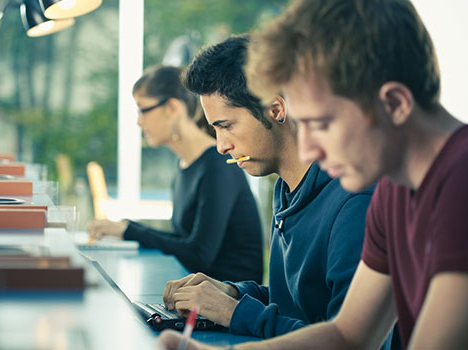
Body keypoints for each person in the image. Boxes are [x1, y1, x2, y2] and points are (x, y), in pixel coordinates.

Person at [158, 0, 468, 349]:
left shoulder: (459, 183)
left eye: (320, 124)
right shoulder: (393, 192)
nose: (308, 150)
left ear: (394, 104)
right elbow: (347, 336)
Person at [161, 35, 375, 340]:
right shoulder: (287, 189)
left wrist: (233, 312)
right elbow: (294, 302)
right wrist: (232, 292)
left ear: (275, 109)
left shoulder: (355, 203)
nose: (221, 146)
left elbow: (344, 340)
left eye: (226, 126)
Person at [88, 65, 263, 283]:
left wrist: (129, 231)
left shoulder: (218, 165)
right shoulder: (185, 165)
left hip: (227, 302)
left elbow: (199, 255)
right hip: (196, 291)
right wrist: (125, 227)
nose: (138, 121)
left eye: (143, 109)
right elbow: (183, 240)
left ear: (172, 107)